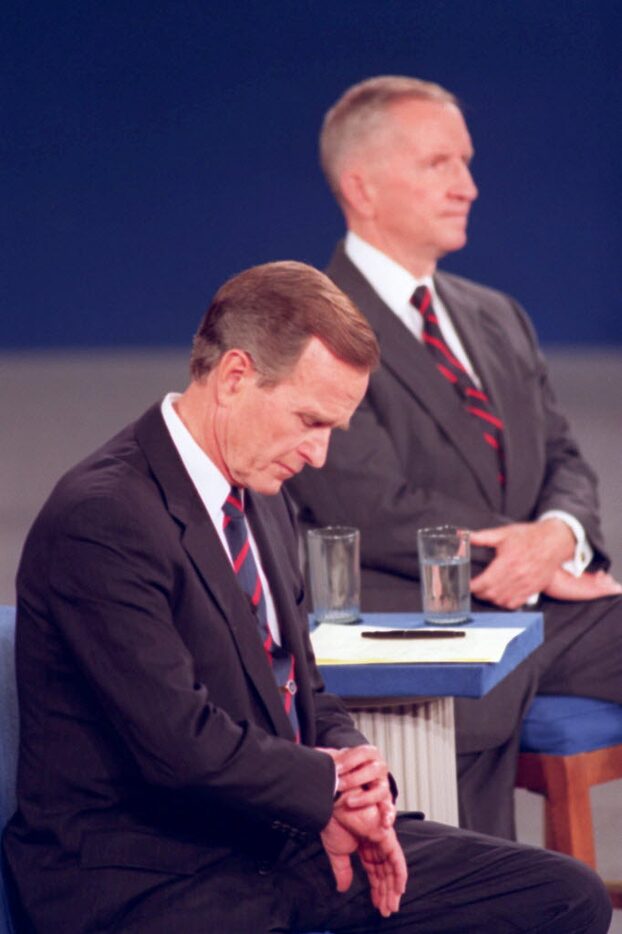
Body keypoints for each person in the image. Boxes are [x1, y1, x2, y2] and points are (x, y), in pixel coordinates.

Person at [2, 261, 611, 933]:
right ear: (235, 377)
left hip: (275, 843)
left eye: (333, 431)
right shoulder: (105, 517)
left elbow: (304, 689)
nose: (318, 456)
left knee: (562, 896)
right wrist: (326, 793)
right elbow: (177, 743)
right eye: (309, 420)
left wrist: (359, 778)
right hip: (150, 873)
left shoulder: (262, 497)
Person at [286, 75, 622, 839]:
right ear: (361, 187)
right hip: (415, 618)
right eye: (441, 164)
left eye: (467, 163)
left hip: (541, 611)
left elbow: (566, 455)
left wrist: (560, 535)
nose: (468, 186)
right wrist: (525, 550)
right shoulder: (311, 325)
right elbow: (367, 503)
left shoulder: (496, 315)